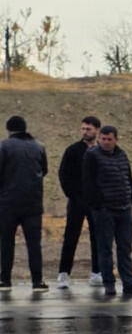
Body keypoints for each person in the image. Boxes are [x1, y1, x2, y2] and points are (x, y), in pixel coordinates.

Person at [82, 125, 132, 296]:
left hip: (124, 207)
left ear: (116, 139)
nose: (105, 142)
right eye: (102, 139)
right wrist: (98, 204)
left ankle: (129, 282)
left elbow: (128, 175)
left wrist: (131, 195)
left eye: (109, 139)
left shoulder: (121, 154)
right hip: (105, 210)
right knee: (105, 248)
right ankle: (109, 283)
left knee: (125, 247)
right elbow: (88, 182)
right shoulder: (92, 155)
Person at [0, 115, 48, 291]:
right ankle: (37, 281)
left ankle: (5, 280)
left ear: (9, 129)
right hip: (33, 204)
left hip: (7, 204)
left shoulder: (3, 146)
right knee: (34, 244)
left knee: (6, 242)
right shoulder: (39, 146)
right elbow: (44, 170)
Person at [56, 116, 103, 288]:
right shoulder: (73, 150)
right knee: (71, 236)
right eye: (83, 128)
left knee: (98, 237)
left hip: (96, 202)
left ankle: (97, 272)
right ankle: (63, 273)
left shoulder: (102, 150)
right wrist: (73, 195)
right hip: (77, 201)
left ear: (97, 130)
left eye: (88, 129)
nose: (85, 132)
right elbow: (63, 175)